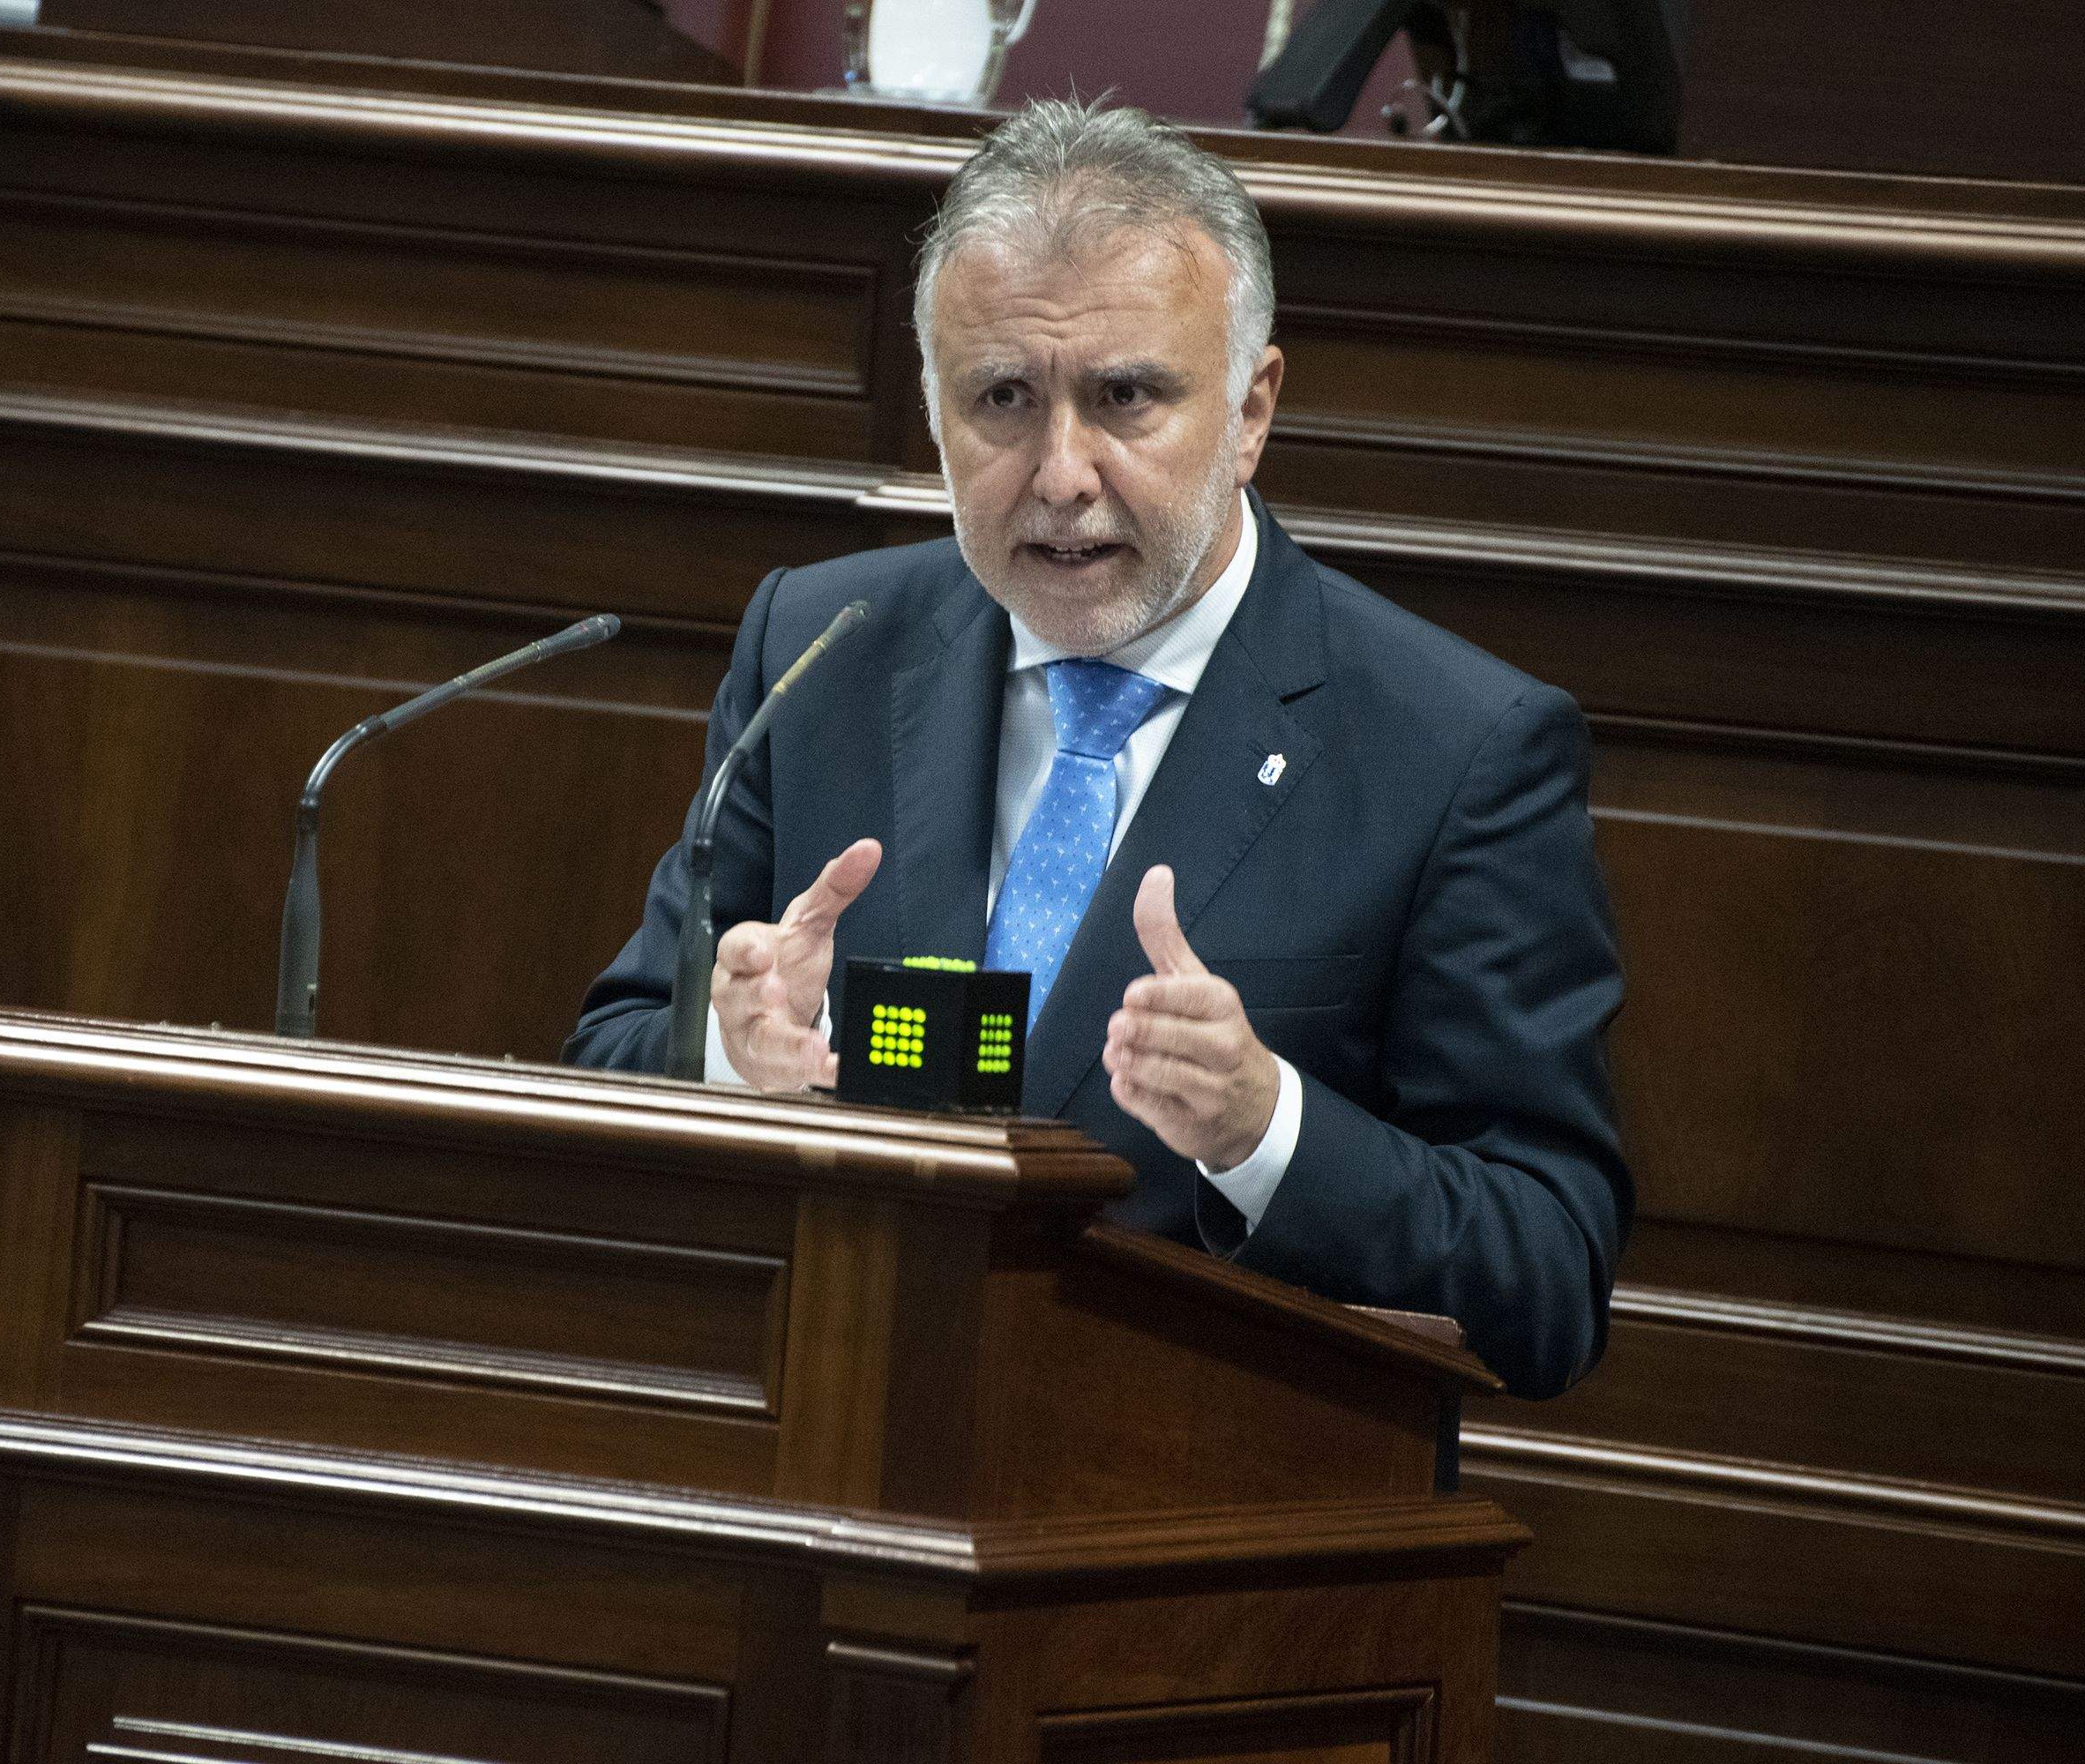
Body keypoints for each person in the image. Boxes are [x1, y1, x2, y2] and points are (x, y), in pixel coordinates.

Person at [564, 98, 1627, 1399]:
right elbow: (613, 1056)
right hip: (816, 1437)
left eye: (1125, 398)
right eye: (1003, 399)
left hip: (1198, 1519)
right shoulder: (825, 646)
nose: (1061, 473)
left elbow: (1548, 1274)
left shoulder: (1458, 748)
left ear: (1251, 410)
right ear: (937, 412)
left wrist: (1267, 1130)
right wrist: (731, 1055)